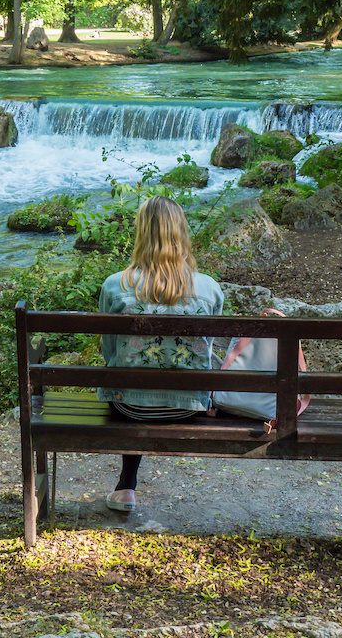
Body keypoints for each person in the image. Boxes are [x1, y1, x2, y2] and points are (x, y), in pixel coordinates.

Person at [97, 195, 224, 512]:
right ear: (181, 234)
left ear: (142, 233)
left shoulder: (115, 285)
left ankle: (127, 486)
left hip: (130, 407)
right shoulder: (208, 288)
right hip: (188, 407)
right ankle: (126, 485)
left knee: (134, 382)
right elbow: (211, 349)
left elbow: (108, 349)